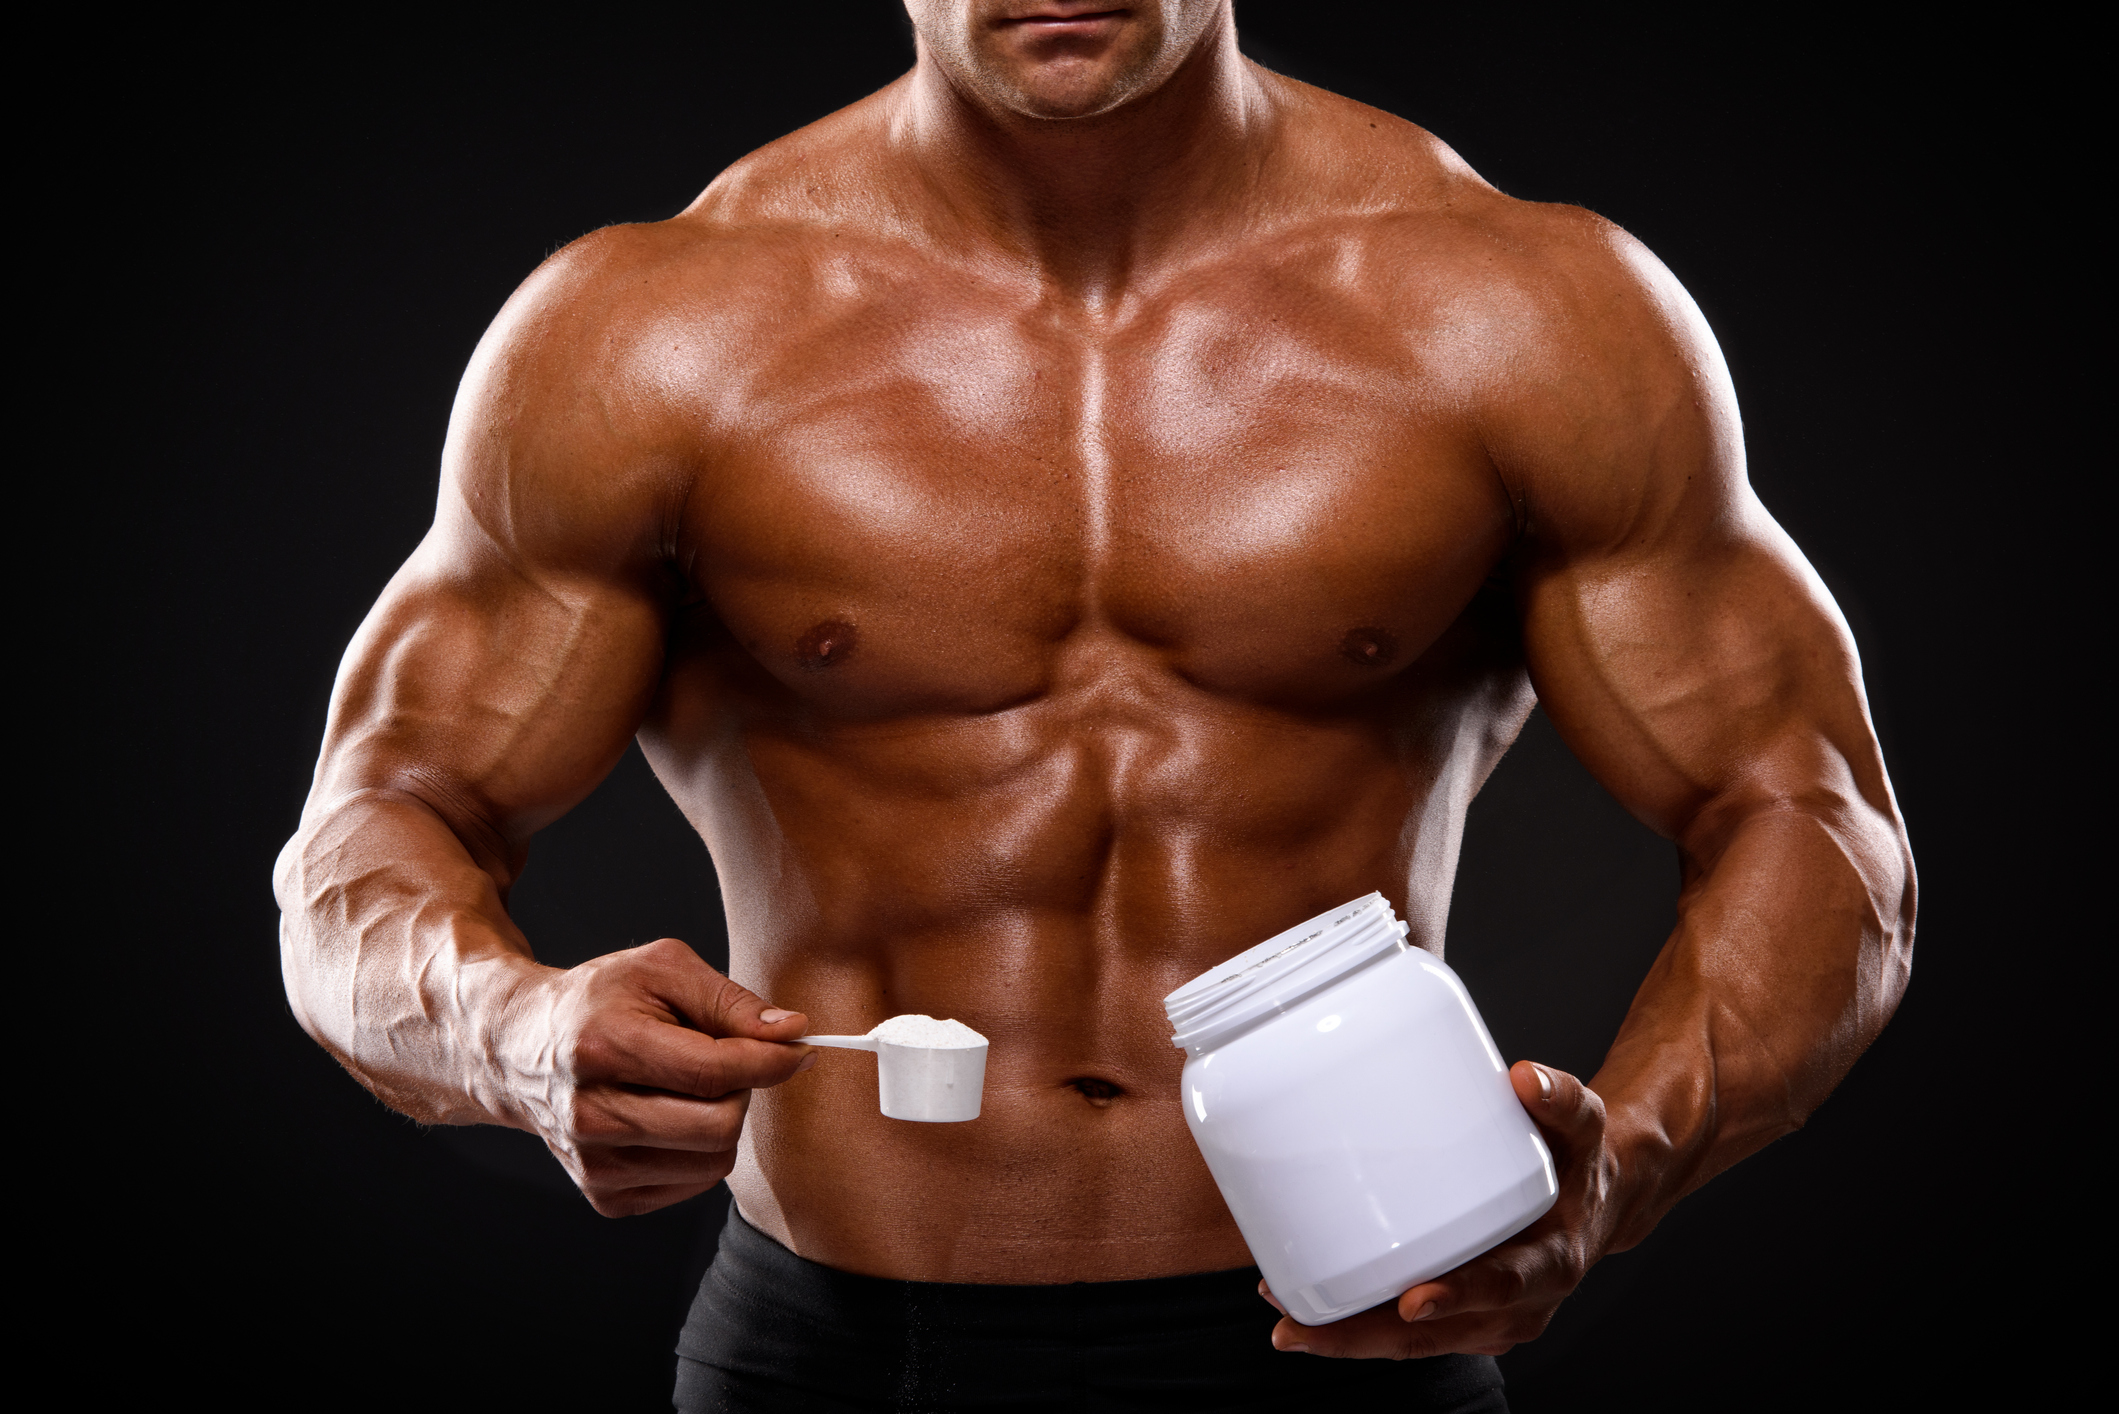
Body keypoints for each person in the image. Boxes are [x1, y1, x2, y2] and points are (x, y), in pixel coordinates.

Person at [274, 3, 1916, 1409]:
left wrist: (1614, 1163)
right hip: (839, 1347)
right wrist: (516, 1032)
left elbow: (1812, 810)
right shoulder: (652, 333)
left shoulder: (1519, 308)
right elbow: (377, 819)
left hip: (1364, 1330)